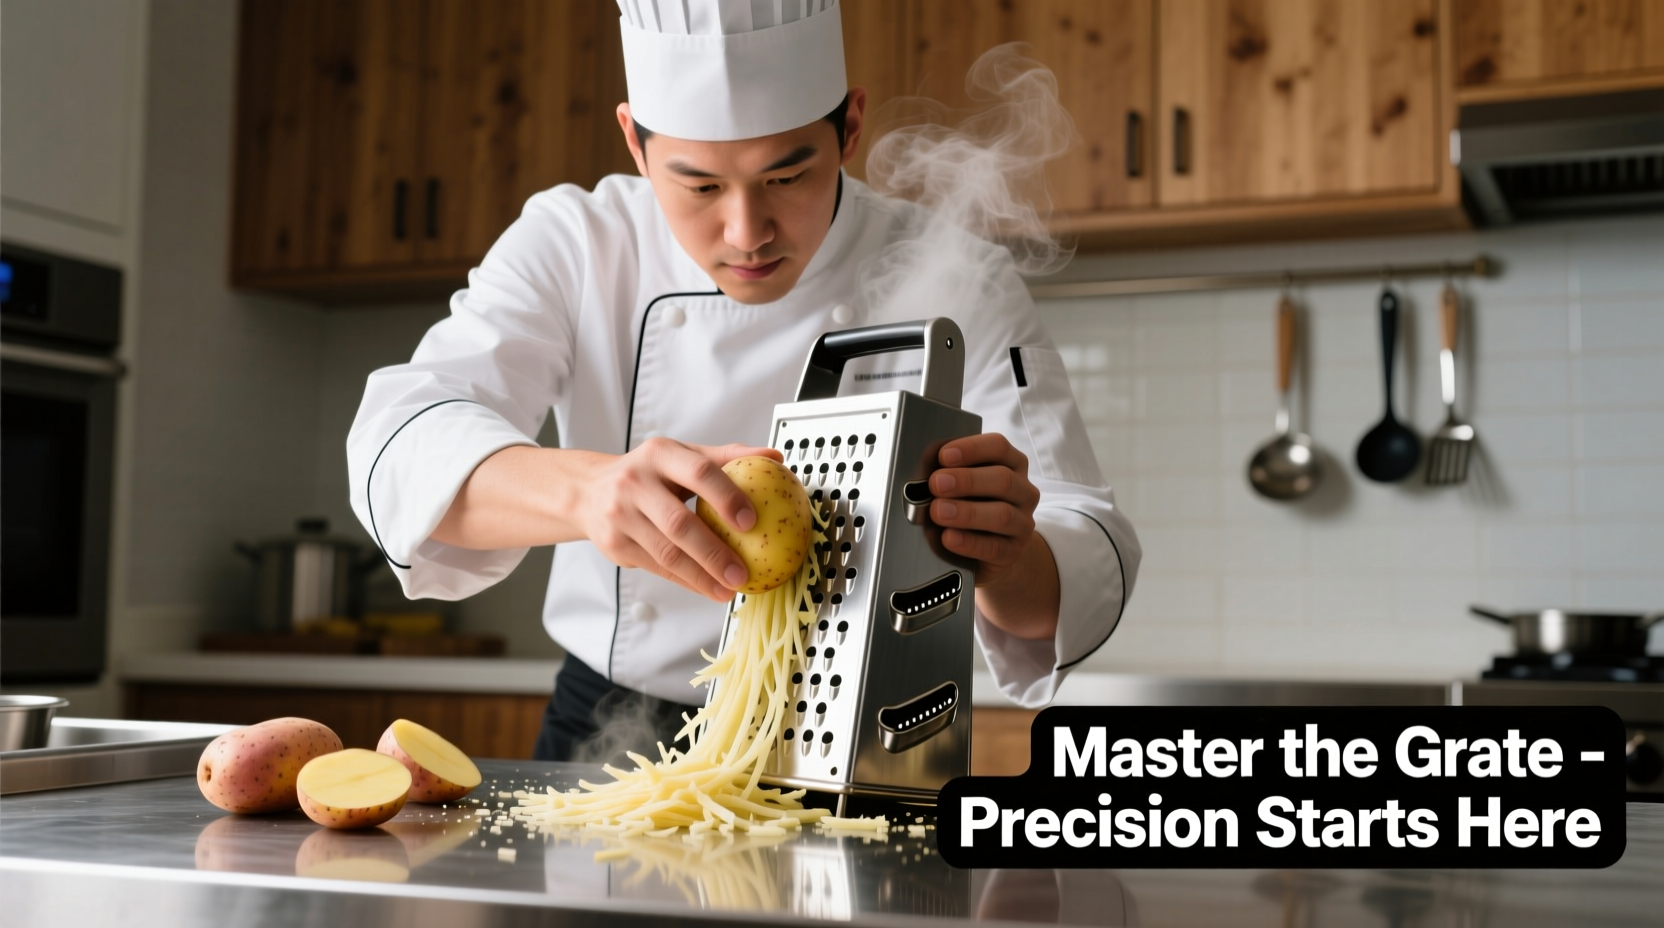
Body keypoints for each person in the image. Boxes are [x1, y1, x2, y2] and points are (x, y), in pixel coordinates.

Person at [346, 0, 1139, 762]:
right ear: (634, 142)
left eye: (788, 177)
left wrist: (1008, 555)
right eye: (698, 186)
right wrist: (588, 494)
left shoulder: (959, 275)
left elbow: (1082, 549)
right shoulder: (577, 243)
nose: (746, 232)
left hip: (869, 738)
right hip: (612, 728)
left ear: (851, 127)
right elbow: (400, 441)